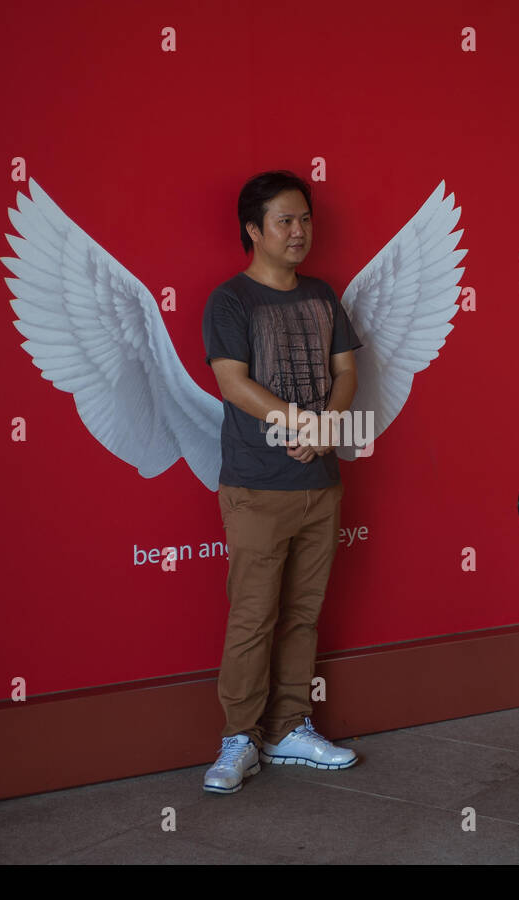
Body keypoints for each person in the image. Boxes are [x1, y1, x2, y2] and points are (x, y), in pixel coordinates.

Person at [200, 170, 362, 794]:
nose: (298, 233)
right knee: (253, 615)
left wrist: (328, 426)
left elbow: (345, 370)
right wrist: (302, 422)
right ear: (253, 230)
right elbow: (232, 382)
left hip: (320, 483)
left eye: (304, 220)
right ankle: (238, 738)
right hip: (257, 485)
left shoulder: (323, 295)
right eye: (284, 222)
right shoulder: (230, 301)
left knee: (302, 613)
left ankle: (289, 726)